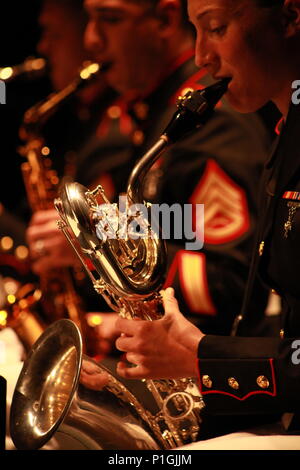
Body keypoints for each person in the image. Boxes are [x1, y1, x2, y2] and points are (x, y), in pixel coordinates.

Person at [26, 0, 274, 362]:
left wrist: (99, 248)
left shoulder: (210, 118)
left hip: (209, 373)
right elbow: (164, 231)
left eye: (110, 20)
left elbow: (229, 285)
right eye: (90, 20)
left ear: (165, 19)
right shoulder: (147, 112)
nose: (91, 40)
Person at [112, 0, 300, 448]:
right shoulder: (286, 132)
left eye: (215, 28)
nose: (201, 57)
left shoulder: (236, 130)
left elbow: (227, 280)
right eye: (196, 31)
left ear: (291, 17)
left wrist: (200, 358)